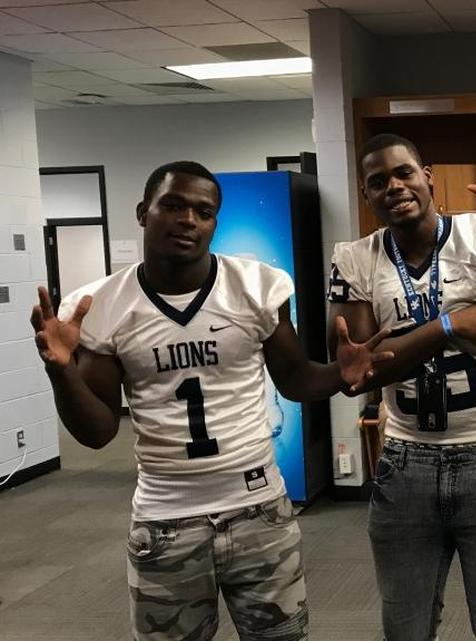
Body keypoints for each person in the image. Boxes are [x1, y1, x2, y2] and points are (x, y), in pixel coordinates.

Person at [31, 161, 392, 641]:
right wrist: (61, 373)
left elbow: (296, 381)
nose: (188, 220)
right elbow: (97, 432)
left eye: (203, 211)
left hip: (258, 509)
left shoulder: (254, 287)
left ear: (214, 224)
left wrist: (341, 376)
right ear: (143, 212)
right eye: (173, 206)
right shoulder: (104, 305)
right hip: (165, 518)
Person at [327, 134, 476, 640]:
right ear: (366, 196)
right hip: (406, 463)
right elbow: (360, 373)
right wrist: (450, 326)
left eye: (404, 172)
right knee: (405, 628)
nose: (394, 186)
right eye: (377, 182)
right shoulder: (355, 259)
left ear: (427, 175)